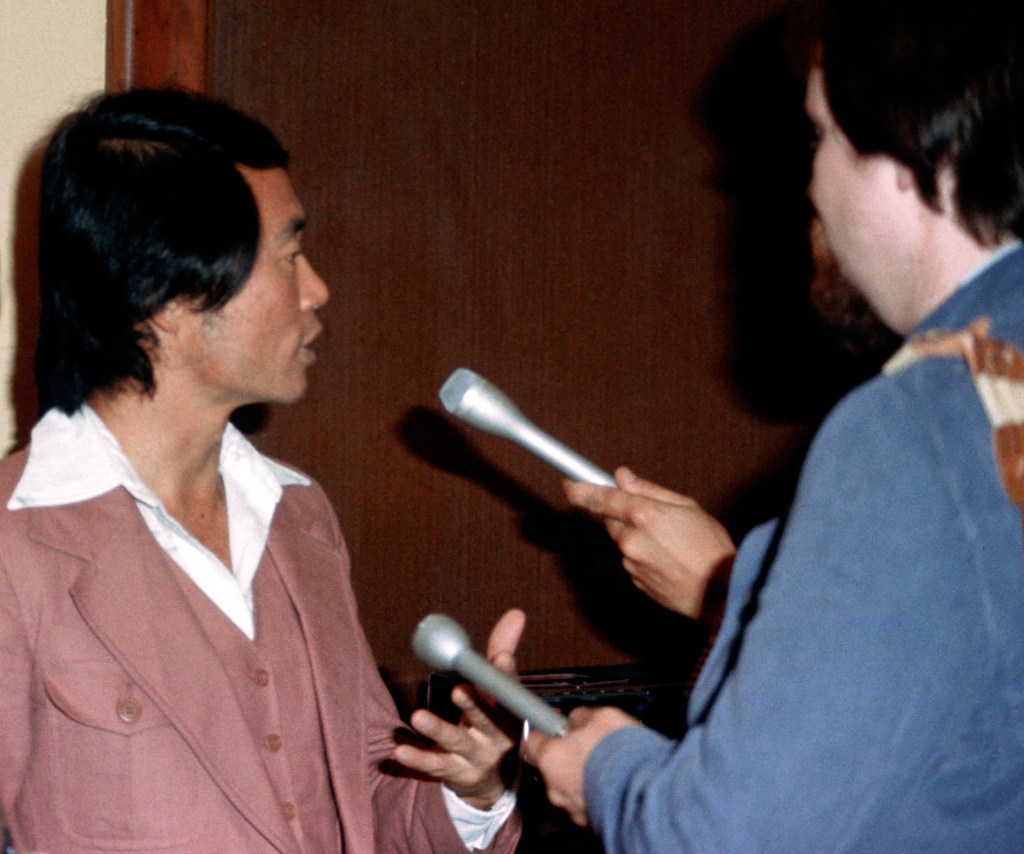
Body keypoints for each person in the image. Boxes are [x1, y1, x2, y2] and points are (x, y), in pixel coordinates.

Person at [523, 0, 1024, 849]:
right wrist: (736, 584)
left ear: (913, 151)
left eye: (821, 135)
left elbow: (721, 835)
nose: (811, 184)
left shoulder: (909, 431)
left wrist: (605, 770)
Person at [0, 89, 522, 853]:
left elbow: (368, 801)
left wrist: (469, 790)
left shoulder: (299, 515)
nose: (316, 290)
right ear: (166, 294)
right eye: (286, 255)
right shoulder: (16, 547)